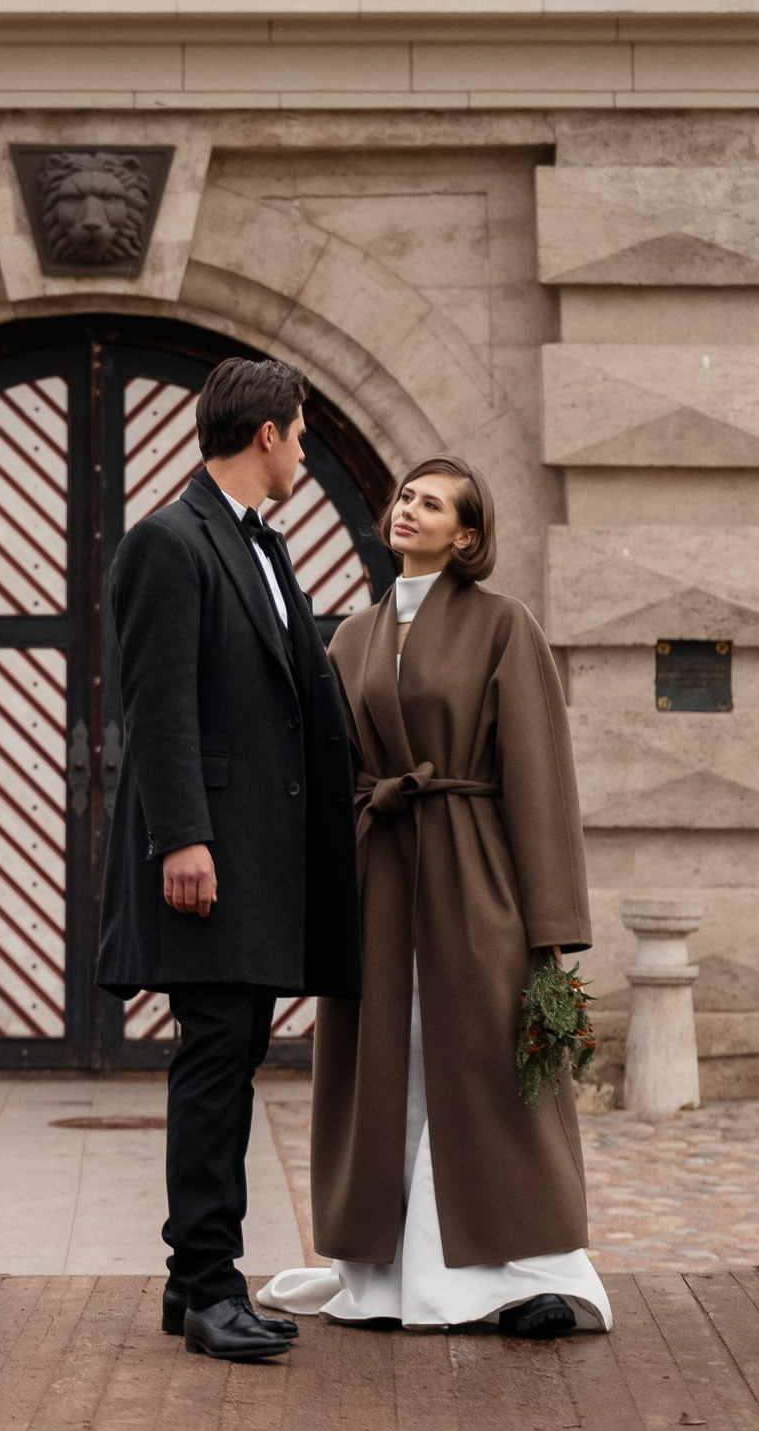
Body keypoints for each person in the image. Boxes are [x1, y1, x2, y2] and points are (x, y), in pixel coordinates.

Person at [263, 452, 611, 1338]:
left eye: (433, 504)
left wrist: (552, 925)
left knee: (489, 1073)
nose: (409, 509)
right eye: (406, 496)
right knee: (386, 1069)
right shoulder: (350, 635)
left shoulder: (504, 626)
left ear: (467, 536)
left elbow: (538, 773)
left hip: (475, 872)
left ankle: (527, 1273)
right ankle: (384, 1276)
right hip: (380, 877)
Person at [98, 353, 361, 1362]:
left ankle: (193, 1283)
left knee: (230, 1058)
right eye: (299, 433)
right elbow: (155, 703)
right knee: (214, 1066)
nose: (303, 451)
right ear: (266, 434)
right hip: (207, 856)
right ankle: (207, 1284)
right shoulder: (170, 540)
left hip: (261, 852)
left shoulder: (264, 548)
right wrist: (184, 837)